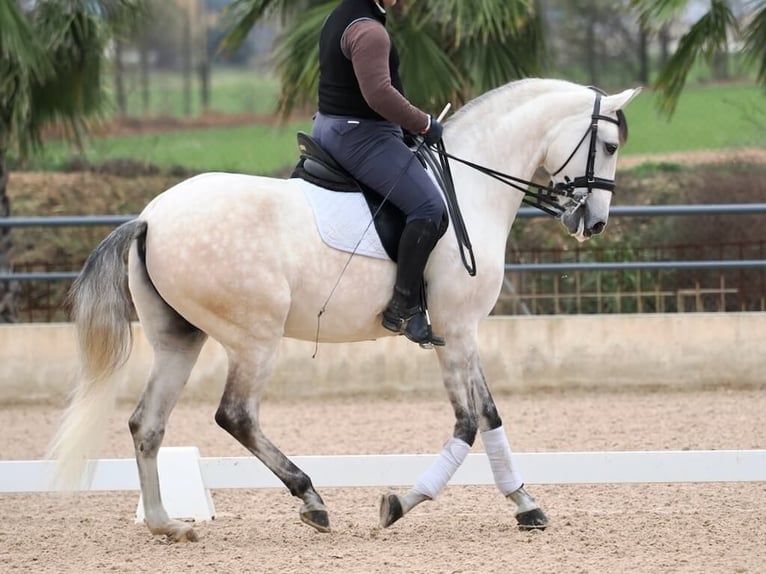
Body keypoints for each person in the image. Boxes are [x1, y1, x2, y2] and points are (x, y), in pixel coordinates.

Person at [312, 0, 448, 347]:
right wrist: (424, 124)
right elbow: (378, 95)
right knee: (430, 208)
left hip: (330, 125)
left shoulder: (344, 14)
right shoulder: (370, 30)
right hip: (360, 136)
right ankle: (402, 307)